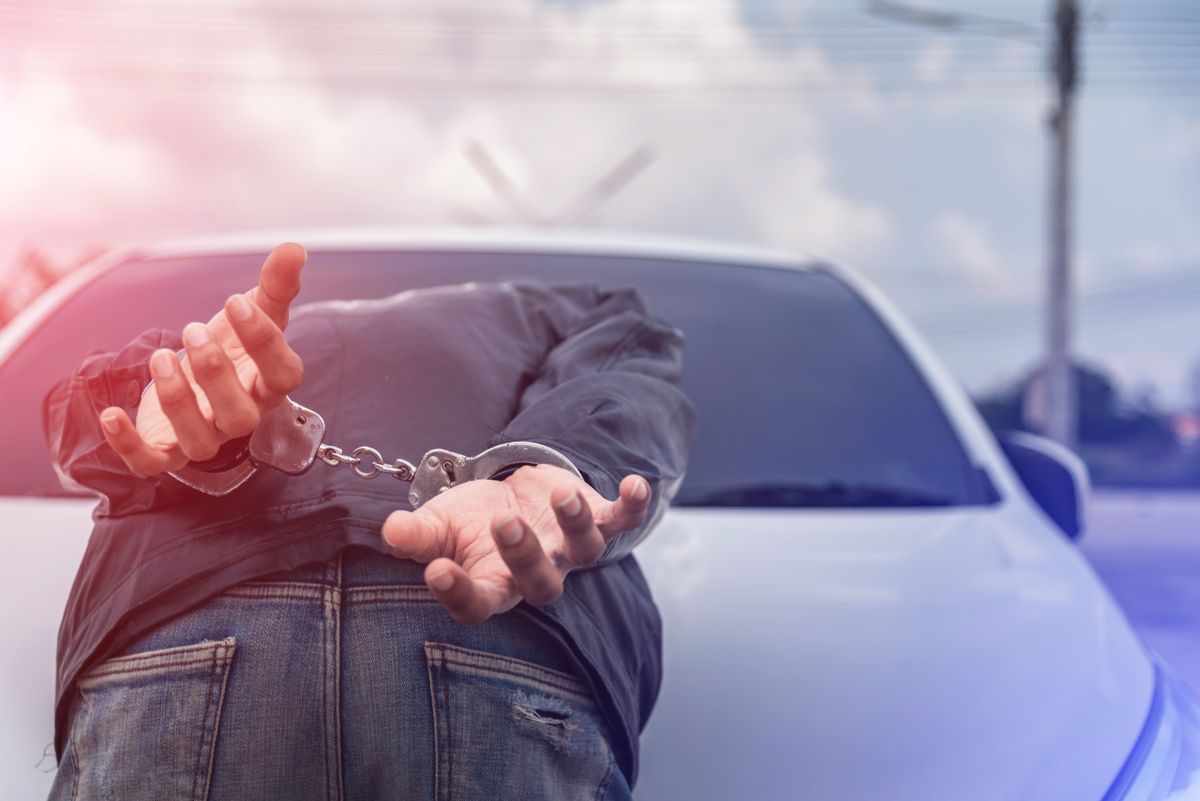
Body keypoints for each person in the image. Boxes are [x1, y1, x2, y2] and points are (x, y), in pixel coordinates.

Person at [42, 243, 695, 801]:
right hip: (503, 633)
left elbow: (70, 415)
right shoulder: (577, 307)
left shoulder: (191, 330)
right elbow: (623, 374)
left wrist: (144, 391)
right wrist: (557, 465)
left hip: (178, 622)